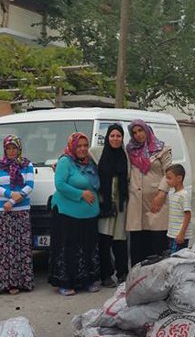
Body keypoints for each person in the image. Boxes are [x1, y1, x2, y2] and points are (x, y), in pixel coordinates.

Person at [50, 132, 101, 296]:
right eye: (79, 146)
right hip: (68, 213)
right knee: (69, 249)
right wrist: (81, 194)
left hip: (89, 214)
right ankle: (66, 283)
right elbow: (60, 184)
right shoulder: (65, 161)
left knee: (88, 248)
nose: (83, 149)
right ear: (72, 146)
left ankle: (88, 281)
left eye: (85, 145)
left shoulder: (91, 161)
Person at [0, 135, 35, 295]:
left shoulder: (27, 164)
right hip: (3, 213)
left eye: (14, 148)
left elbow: (29, 185)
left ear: (19, 148)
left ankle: (20, 283)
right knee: (4, 249)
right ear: (4, 149)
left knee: (20, 248)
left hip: (20, 212)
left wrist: (13, 202)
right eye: (8, 148)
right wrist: (10, 195)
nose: (11, 151)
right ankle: (3, 284)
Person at [126, 119, 172, 264]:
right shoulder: (129, 150)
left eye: (140, 130)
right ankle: (137, 278)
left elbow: (168, 174)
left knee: (157, 241)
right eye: (134, 132)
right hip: (136, 202)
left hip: (156, 201)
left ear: (147, 130)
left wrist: (161, 194)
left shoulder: (163, 149)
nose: (138, 134)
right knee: (138, 242)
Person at [95, 124, 130, 288]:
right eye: (112, 136)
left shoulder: (126, 157)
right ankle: (106, 275)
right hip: (104, 203)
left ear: (122, 138)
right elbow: (76, 158)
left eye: (118, 136)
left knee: (120, 240)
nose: (115, 139)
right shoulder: (96, 153)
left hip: (121, 204)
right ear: (107, 137)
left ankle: (122, 273)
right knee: (104, 239)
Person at [165, 164, 191, 253]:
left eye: (169, 178)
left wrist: (182, 233)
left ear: (179, 178)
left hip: (179, 236)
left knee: (178, 259)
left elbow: (187, 215)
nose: (167, 181)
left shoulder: (184, 195)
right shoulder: (172, 193)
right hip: (172, 234)